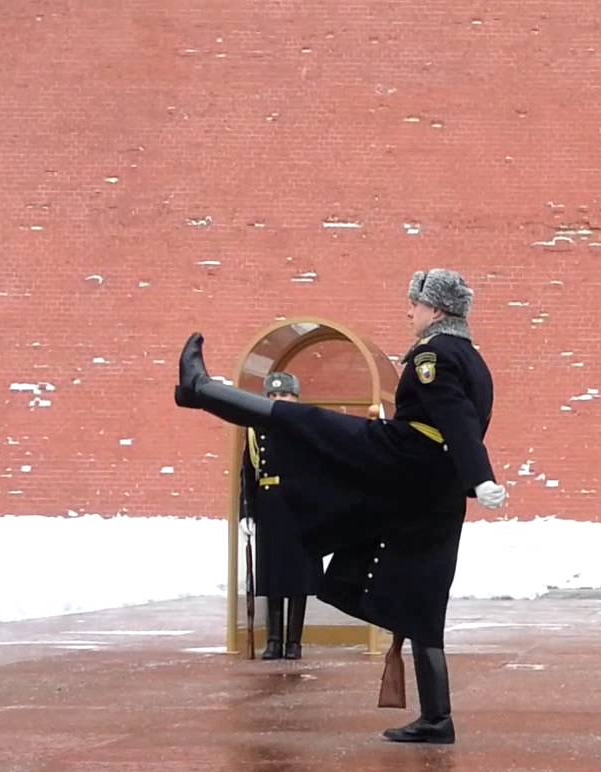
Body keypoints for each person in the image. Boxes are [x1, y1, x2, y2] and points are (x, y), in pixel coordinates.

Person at [173, 268, 508, 744]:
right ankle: (437, 718)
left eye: (414, 303)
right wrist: (470, 478)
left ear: (435, 309)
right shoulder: (473, 357)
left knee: (306, 423)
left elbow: (456, 418)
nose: (408, 310)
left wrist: (482, 475)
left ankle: (202, 391)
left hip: (406, 460)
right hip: (433, 490)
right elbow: (467, 422)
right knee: (425, 603)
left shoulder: (436, 353)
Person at [241, 371, 326, 660]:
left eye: (284, 395)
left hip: (300, 506)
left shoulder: (308, 427)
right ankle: (274, 639)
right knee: (273, 574)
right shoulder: (256, 429)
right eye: (273, 395)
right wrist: (247, 512)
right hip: (269, 505)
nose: (278, 400)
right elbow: (247, 475)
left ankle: (294, 642)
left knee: (298, 575)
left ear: (295, 397)